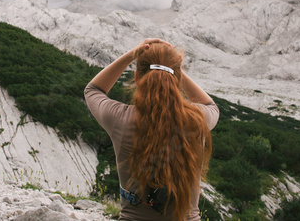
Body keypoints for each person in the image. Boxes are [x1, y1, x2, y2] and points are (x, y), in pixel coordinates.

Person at [84, 38, 219, 221]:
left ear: (137, 77)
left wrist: (132, 54)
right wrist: (172, 68)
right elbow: (210, 104)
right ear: (177, 81)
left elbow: (92, 90)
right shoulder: (198, 120)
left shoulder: (120, 119)